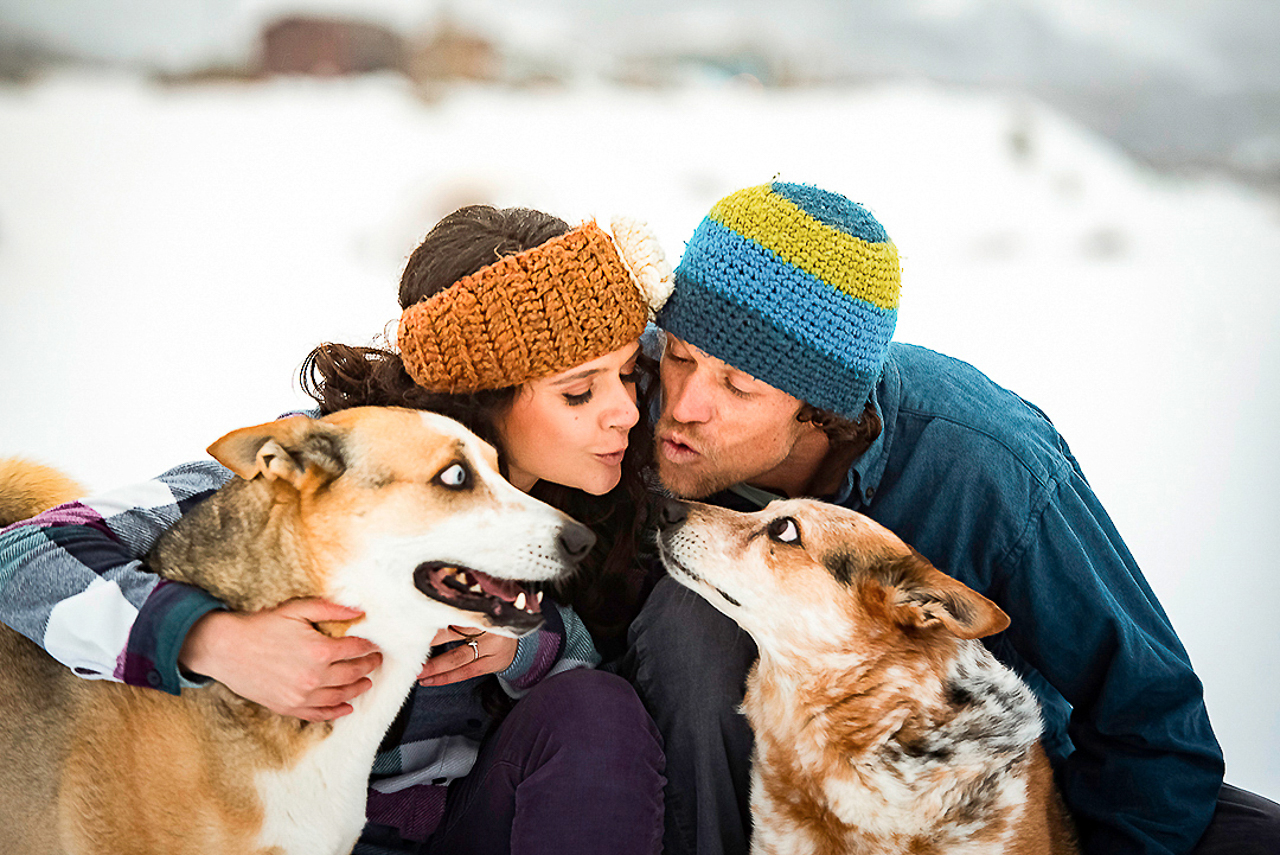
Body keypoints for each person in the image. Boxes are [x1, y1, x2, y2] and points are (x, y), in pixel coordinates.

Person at [617, 180, 1280, 855]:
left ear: (819, 410)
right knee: (690, 625)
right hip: (734, 788)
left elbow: (1152, 715)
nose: (687, 404)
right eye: (680, 355)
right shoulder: (620, 394)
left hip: (974, 803)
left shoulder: (988, 467)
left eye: (739, 386)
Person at [0, 205, 671, 855]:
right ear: (479, 394)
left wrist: (530, 643)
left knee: (598, 709)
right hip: (275, 816)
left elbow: (633, 709)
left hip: (471, 813)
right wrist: (214, 639)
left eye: (626, 375)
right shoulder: (331, 467)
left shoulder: (608, 488)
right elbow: (23, 551)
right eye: (578, 392)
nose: (624, 413)